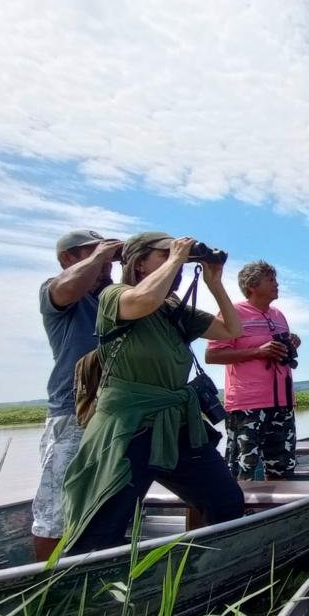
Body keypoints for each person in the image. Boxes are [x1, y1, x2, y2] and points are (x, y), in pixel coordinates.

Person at [62, 233, 246, 552]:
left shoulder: (172, 309)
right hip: (129, 427)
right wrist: (177, 257)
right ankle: (96, 579)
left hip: (177, 424)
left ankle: (209, 565)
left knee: (226, 501)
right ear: (139, 263)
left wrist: (215, 283)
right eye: (163, 255)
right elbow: (143, 301)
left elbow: (232, 330)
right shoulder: (114, 295)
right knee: (103, 524)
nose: (177, 264)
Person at [33, 230, 122, 560]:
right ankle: (47, 583)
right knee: (55, 511)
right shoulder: (56, 291)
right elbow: (68, 288)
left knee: (105, 503)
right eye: (91, 252)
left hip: (112, 414)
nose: (105, 262)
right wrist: (101, 255)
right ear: (67, 259)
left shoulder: (108, 301)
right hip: (72, 413)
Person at [206, 260, 301, 480]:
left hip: (282, 403)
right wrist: (258, 351)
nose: (277, 284)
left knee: (283, 471)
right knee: (243, 471)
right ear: (252, 285)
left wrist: (291, 344)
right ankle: (240, 504)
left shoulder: (279, 315)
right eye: (271, 280)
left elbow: (279, 352)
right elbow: (212, 355)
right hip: (247, 405)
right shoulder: (232, 313)